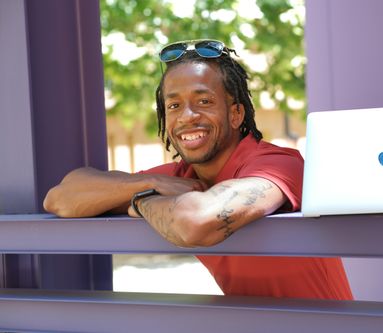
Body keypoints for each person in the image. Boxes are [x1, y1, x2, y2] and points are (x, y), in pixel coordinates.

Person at [44, 39, 352, 300]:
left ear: (235, 114)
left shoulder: (279, 164)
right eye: (174, 106)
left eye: (203, 101)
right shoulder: (177, 177)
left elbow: (196, 220)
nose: (187, 116)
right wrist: (150, 182)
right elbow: (60, 198)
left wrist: (140, 200)